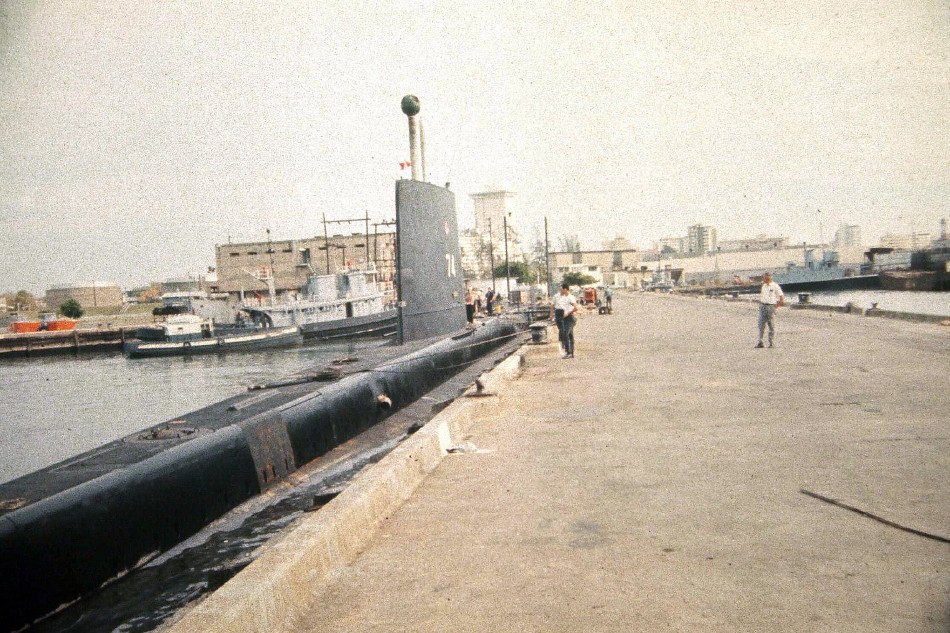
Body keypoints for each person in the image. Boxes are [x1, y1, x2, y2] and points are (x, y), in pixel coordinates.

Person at [550, 283, 580, 358]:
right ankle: (570, 352)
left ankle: (569, 352)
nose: (560, 291)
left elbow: (576, 307)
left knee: (566, 333)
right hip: (560, 315)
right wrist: (551, 315)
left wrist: (568, 313)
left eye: (561, 289)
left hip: (568, 317)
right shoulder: (557, 296)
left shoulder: (571, 297)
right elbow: (552, 306)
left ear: (565, 289)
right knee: (566, 333)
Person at [756, 272, 785, 348]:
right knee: (761, 325)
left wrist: (776, 307)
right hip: (763, 306)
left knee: (771, 325)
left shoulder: (775, 286)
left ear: (768, 278)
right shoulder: (764, 286)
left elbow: (781, 297)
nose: (763, 279)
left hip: (770, 306)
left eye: (764, 278)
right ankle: (760, 342)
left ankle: (771, 343)